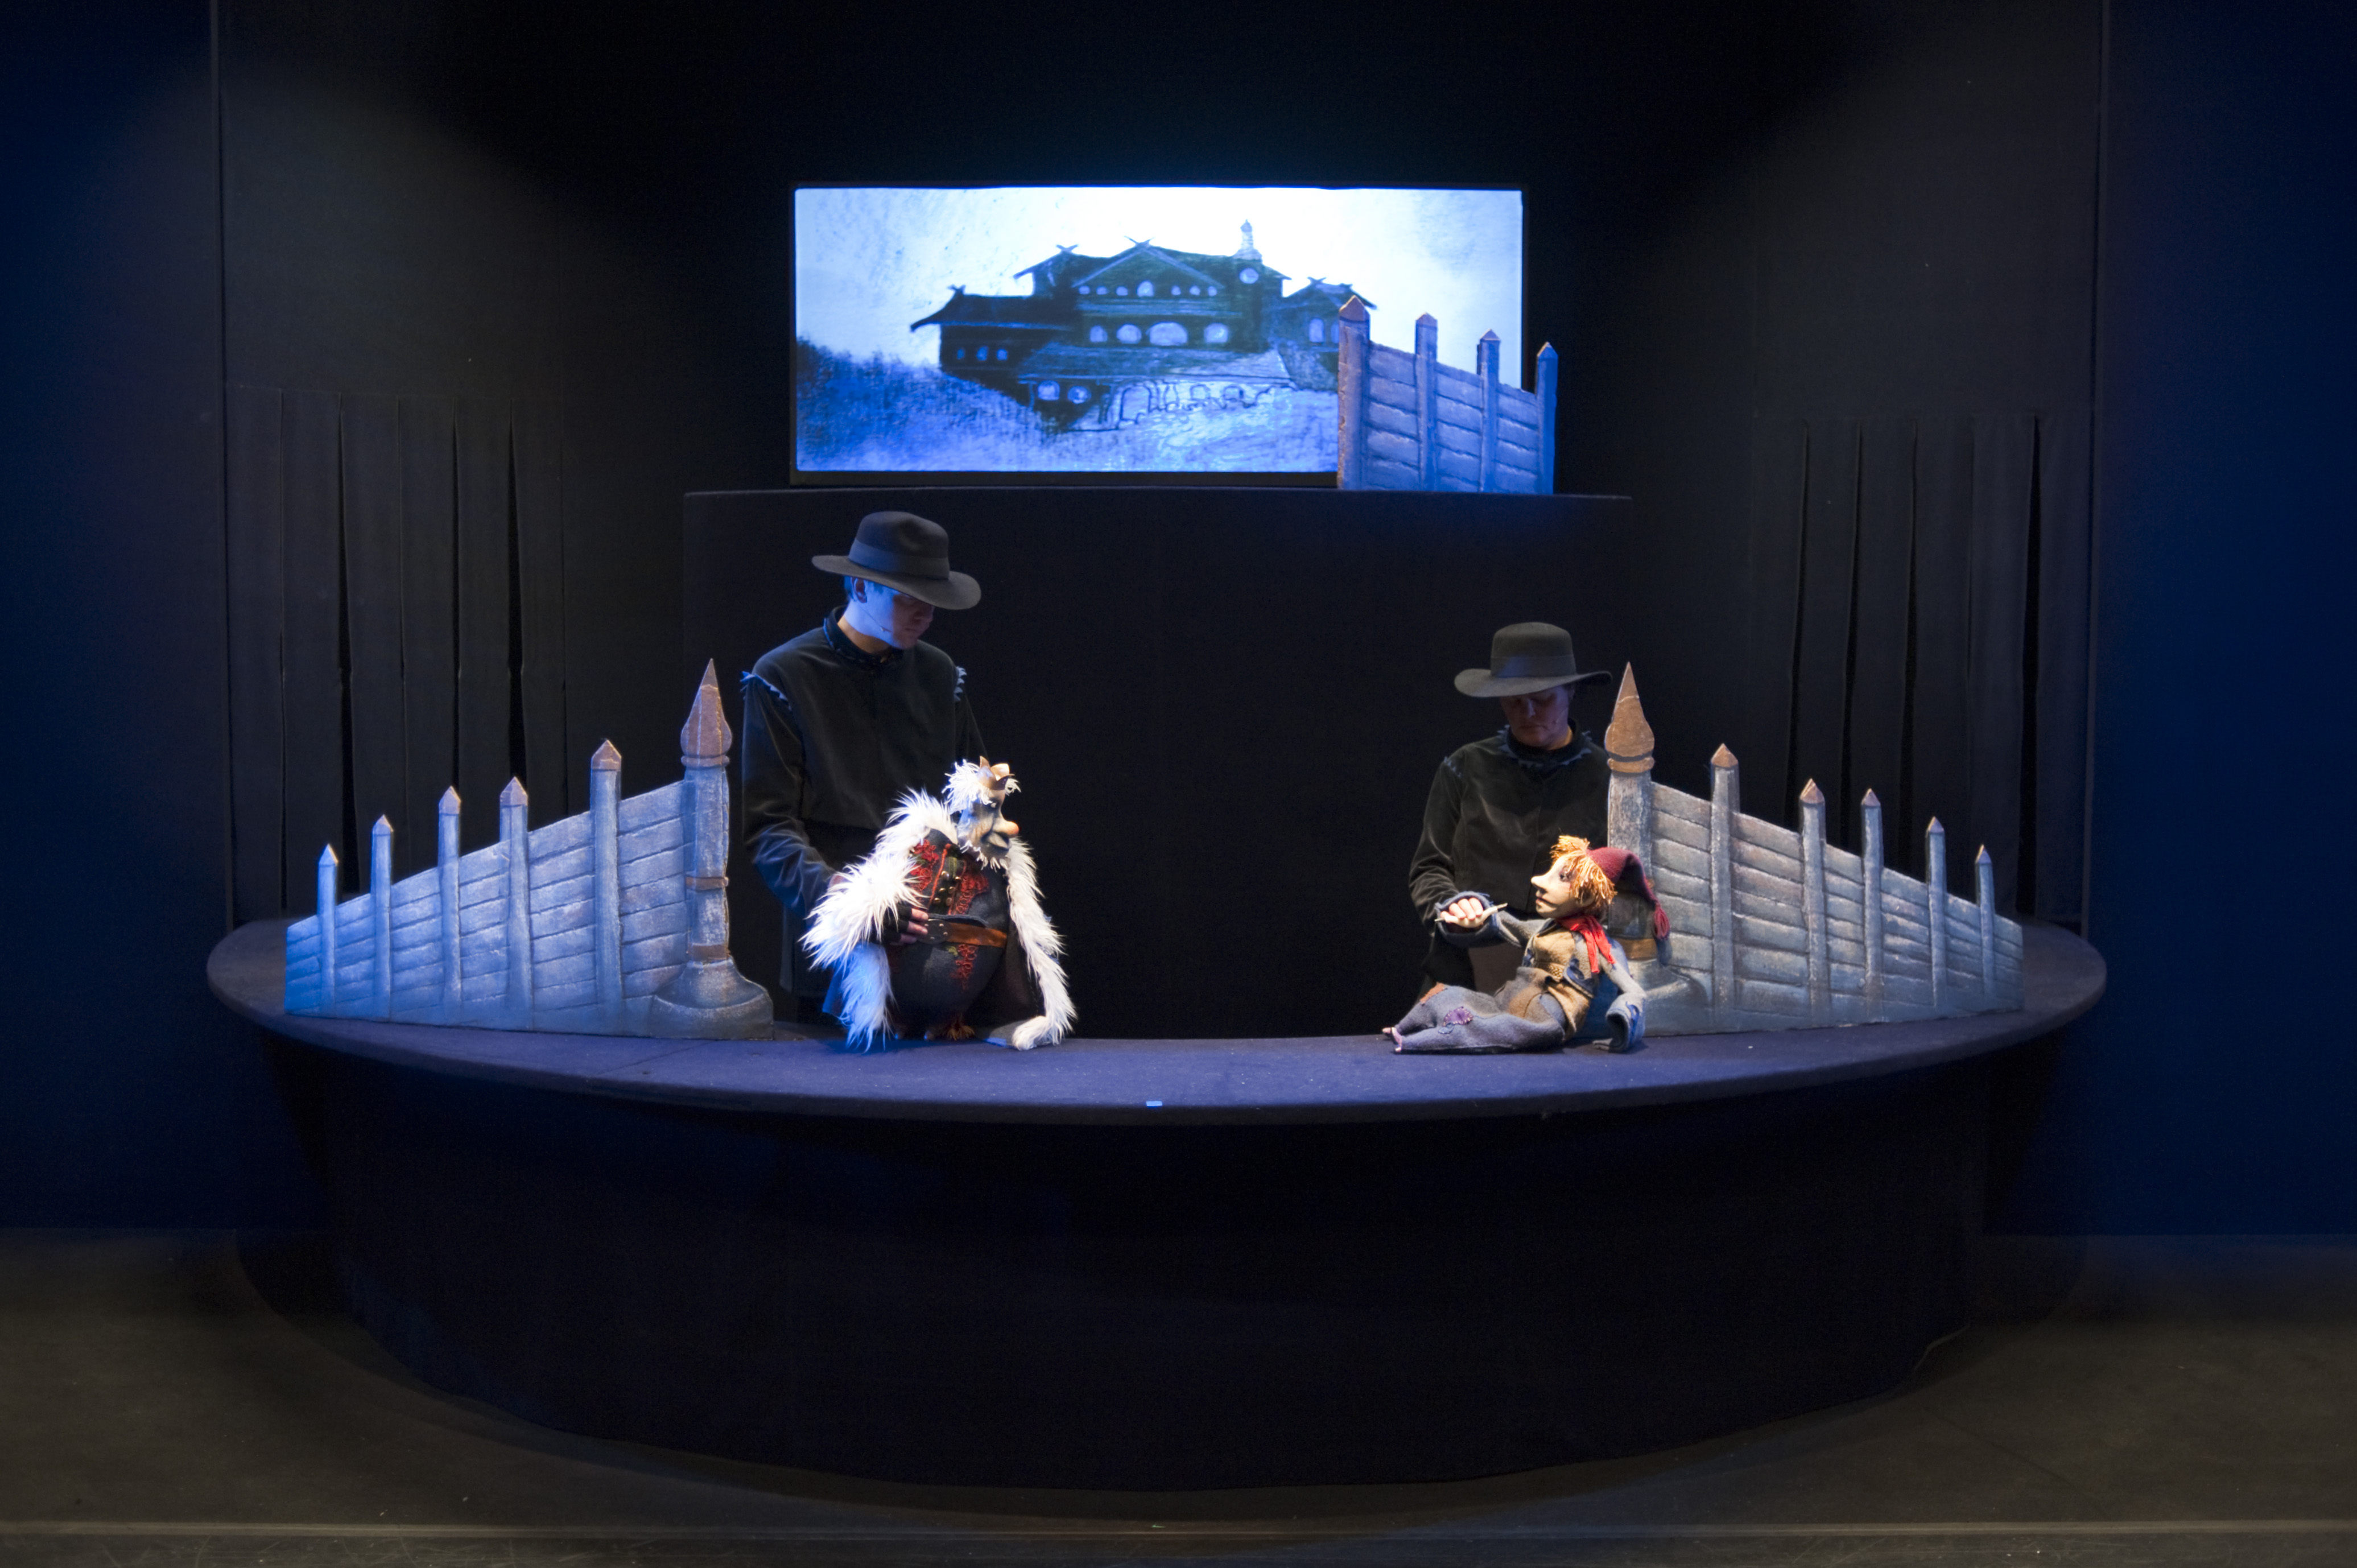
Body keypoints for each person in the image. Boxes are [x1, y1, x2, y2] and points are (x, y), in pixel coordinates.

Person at [740, 510, 985, 1021]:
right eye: (907, 598)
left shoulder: (939, 673)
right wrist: (854, 903)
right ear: (858, 587)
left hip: (939, 939)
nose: (924, 614)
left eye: (932, 602)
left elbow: (973, 800)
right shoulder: (783, 675)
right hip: (837, 941)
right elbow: (769, 827)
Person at [1408, 622, 1615, 997]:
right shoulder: (1464, 767)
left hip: (1569, 979)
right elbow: (1429, 868)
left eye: (1542, 699)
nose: (1528, 711)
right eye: (1514, 701)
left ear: (1570, 692)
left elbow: (1628, 883)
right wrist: (1454, 905)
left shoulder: (1608, 780)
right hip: (1465, 971)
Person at [1389, 835, 1648, 1054]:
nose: (1539, 881)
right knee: (1449, 995)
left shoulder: (1601, 947)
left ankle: (1414, 1043)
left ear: (1587, 895)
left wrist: (1621, 1023)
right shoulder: (1546, 928)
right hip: (1510, 1001)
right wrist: (1478, 916)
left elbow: (1633, 991)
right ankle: (1401, 1029)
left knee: (1483, 1028)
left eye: (1562, 877)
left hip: (1544, 1017)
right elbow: (1506, 924)